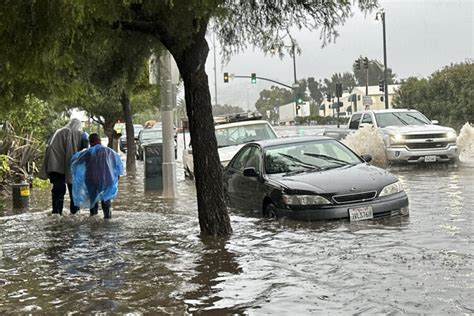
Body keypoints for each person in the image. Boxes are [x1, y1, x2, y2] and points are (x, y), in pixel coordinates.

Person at [39, 118, 88, 215]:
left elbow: (49, 149)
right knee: (74, 190)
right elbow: (84, 153)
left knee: (59, 190)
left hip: (55, 166)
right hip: (70, 167)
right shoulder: (80, 135)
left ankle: (57, 214)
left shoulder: (59, 132)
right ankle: (74, 214)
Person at [71, 133, 123, 219]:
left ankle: (94, 222)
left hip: (92, 180)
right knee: (106, 202)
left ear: (90, 142)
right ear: (100, 140)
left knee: (93, 203)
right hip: (107, 180)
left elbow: (76, 163)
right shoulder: (110, 152)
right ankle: (107, 220)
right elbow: (118, 168)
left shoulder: (87, 153)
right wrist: (116, 179)